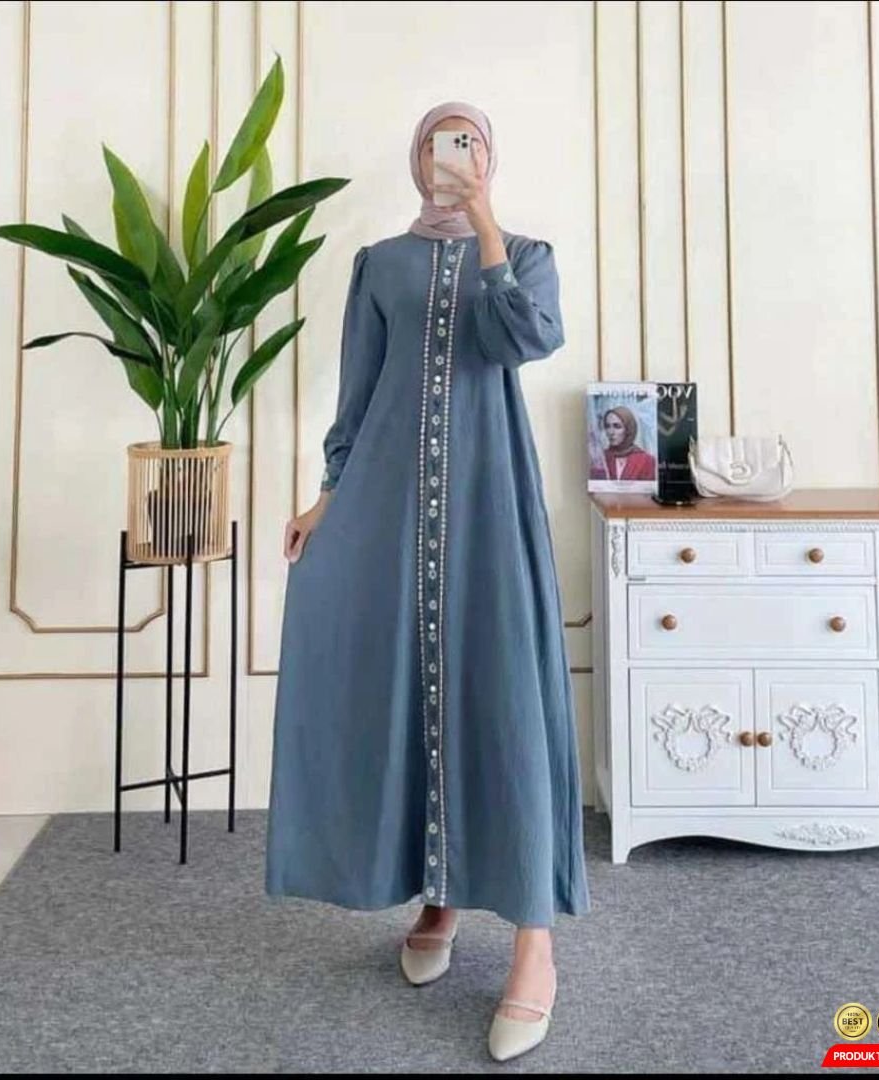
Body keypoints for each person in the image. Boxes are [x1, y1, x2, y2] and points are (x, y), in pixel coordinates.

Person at [264, 100, 590, 1063]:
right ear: (417, 160)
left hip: (490, 503)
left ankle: (534, 944)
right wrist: (327, 496)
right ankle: (438, 899)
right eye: (442, 147)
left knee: (505, 698)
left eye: (470, 145)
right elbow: (359, 388)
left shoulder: (524, 254)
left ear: (490, 158)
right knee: (406, 686)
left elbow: (527, 338)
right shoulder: (380, 264)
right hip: (392, 503)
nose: (454, 158)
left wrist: (484, 221)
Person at [588, 405, 657, 481]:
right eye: (607, 426)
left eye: (617, 426)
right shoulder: (601, 458)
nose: (611, 432)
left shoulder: (647, 460)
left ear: (628, 429)